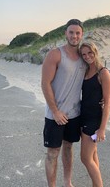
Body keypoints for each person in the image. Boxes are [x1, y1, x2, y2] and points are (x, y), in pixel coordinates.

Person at [41, 19, 86, 187]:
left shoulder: (84, 56)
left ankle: (68, 182)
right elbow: (45, 83)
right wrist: (55, 111)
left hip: (74, 114)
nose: (74, 36)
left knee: (68, 148)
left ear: (81, 35)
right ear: (65, 34)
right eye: (71, 32)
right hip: (55, 115)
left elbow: (93, 78)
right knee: (53, 153)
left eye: (77, 33)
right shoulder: (55, 54)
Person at [79, 41, 110, 187]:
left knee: (85, 158)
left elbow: (108, 103)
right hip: (83, 117)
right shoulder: (86, 71)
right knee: (93, 154)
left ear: (95, 52)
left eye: (90, 53)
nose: (87, 56)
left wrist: (102, 129)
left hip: (93, 121)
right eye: (84, 54)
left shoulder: (103, 73)